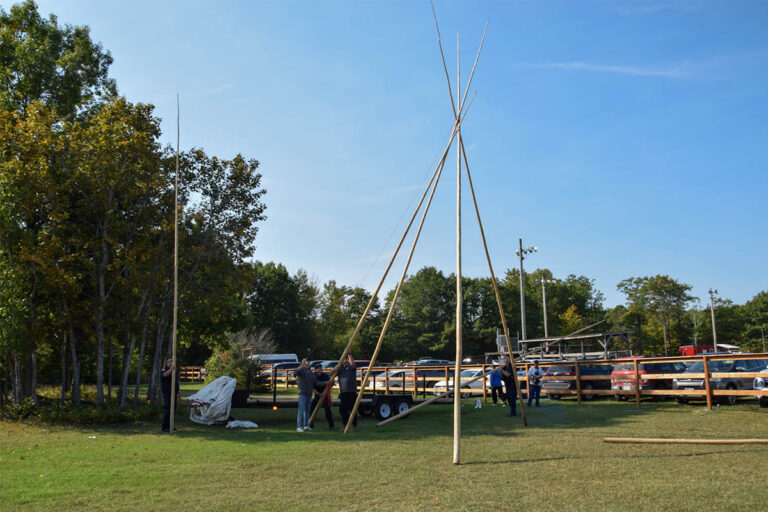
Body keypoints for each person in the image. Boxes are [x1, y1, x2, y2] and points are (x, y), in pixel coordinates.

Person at [293, 358, 319, 432]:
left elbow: (316, 382)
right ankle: (299, 426)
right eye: (306, 361)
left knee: (307, 410)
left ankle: (306, 426)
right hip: (302, 393)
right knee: (301, 410)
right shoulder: (301, 370)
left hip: (309, 394)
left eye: (308, 361)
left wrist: (327, 382)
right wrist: (301, 365)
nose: (307, 362)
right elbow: (295, 374)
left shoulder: (311, 372)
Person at [309, 364, 334, 430]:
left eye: (321, 368)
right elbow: (312, 387)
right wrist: (319, 394)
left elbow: (331, 383)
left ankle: (331, 425)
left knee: (327, 411)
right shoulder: (313, 376)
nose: (320, 369)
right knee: (312, 410)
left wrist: (326, 391)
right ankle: (310, 425)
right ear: (316, 370)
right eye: (319, 368)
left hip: (325, 395)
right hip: (317, 395)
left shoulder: (325, 376)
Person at [336, 353, 358, 431]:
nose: (344, 360)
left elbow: (353, 364)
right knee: (343, 410)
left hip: (351, 391)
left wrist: (349, 354)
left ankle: (354, 425)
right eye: (343, 359)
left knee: (352, 409)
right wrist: (336, 368)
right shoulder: (340, 369)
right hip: (343, 392)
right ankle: (345, 425)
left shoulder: (351, 367)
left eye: (346, 359)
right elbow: (331, 374)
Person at [161, 358, 181, 433]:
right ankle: (164, 427)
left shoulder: (174, 372)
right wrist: (171, 369)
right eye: (170, 362)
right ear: (167, 363)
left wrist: (178, 393)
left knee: (173, 410)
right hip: (167, 393)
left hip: (174, 394)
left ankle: (171, 425)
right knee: (167, 410)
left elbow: (176, 383)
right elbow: (164, 375)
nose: (171, 363)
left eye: (172, 361)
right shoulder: (164, 370)